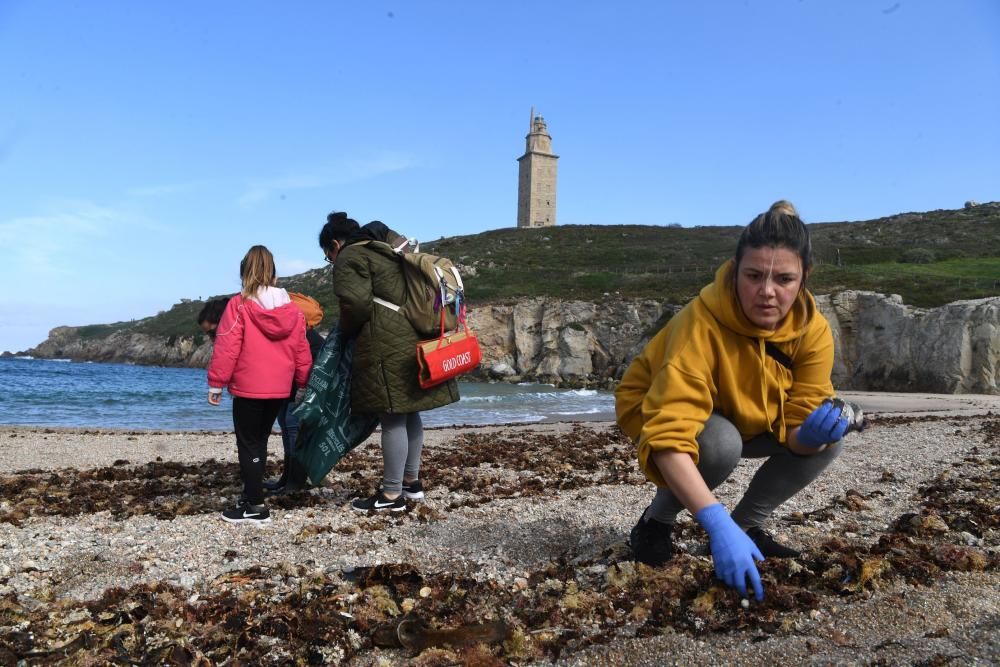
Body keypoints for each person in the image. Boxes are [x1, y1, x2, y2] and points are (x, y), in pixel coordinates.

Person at [615, 200, 864, 602]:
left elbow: (796, 436)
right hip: (654, 406)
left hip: (748, 410)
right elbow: (668, 438)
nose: (767, 292)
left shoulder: (813, 331)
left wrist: (814, 435)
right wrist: (713, 522)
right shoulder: (700, 322)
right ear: (734, 272)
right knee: (719, 444)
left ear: (804, 278)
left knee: (830, 440)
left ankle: (747, 525)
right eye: (753, 276)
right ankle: (655, 523)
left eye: (784, 279)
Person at [319, 211, 459, 512]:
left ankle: (392, 495)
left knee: (392, 416)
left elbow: (355, 304)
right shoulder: (390, 250)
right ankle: (411, 483)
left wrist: (345, 333)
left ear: (334, 244)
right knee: (410, 411)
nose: (331, 261)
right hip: (414, 337)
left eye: (328, 256)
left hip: (384, 342)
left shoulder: (350, 257)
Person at [206, 245, 312, 524]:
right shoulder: (294, 311)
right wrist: (302, 383)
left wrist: (216, 384)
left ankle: (255, 506)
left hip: (249, 388)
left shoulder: (239, 305)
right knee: (260, 441)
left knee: (249, 444)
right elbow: (302, 350)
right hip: (280, 389)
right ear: (274, 274)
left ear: (244, 273)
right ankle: (251, 495)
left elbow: (227, 346)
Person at [264, 293, 326, 493]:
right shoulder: (303, 331)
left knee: (292, 430)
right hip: (290, 387)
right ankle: (287, 478)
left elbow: (309, 364)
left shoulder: (305, 334)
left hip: (301, 388)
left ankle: (295, 482)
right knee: (287, 426)